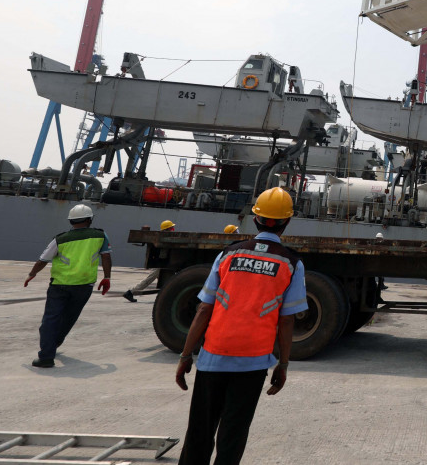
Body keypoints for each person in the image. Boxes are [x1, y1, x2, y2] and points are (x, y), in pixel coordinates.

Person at [175, 187, 307, 465]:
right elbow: (286, 320)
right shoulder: (292, 263)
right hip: (253, 361)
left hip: (213, 355)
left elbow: (204, 309)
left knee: (200, 430)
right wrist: (283, 364)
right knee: (233, 434)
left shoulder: (229, 254)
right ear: (286, 222)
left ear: (255, 218)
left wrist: (186, 355)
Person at [24, 204, 111, 367]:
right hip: (84, 286)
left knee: (50, 320)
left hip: (60, 286)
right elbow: (106, 257)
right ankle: (54, 343)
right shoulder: (100, 235)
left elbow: (43, 259)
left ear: (71, 221)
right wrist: (107, 277)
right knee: (69, 318)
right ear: (90, 219)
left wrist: (31, 274)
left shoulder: (60, 239)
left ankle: (46, 357)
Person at [122, 220, 175, 302]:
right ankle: (130, 292)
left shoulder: (161, 237)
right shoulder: (163, 238)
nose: (173, 229)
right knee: (149, 279)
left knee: (169, 281)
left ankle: (168, 297)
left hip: (161, 263)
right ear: (167, 229)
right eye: (171, 228)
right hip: (160, 264)